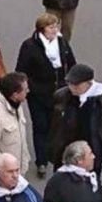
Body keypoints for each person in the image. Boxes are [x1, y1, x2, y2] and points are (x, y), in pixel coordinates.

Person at [15, 12, 76, 178]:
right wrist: (30, 89)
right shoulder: (29, 46)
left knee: (57, 126)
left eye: (56, 26)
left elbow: (71, 63)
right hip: (38, 95)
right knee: (40, 126)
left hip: (60, 93)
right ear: (42, 29)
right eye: (51, 27)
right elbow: (21, 71)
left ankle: (56, 156)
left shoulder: (62, 43)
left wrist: (71, 83)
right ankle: (41, 161)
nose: (55, 29)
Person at [48, 63, 102, 178]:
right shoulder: (62, 97)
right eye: (70, 83)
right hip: (67, 151)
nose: (72, 87)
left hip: (91, 151)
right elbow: (54, 125)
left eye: (76, 85)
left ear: (89, 83)